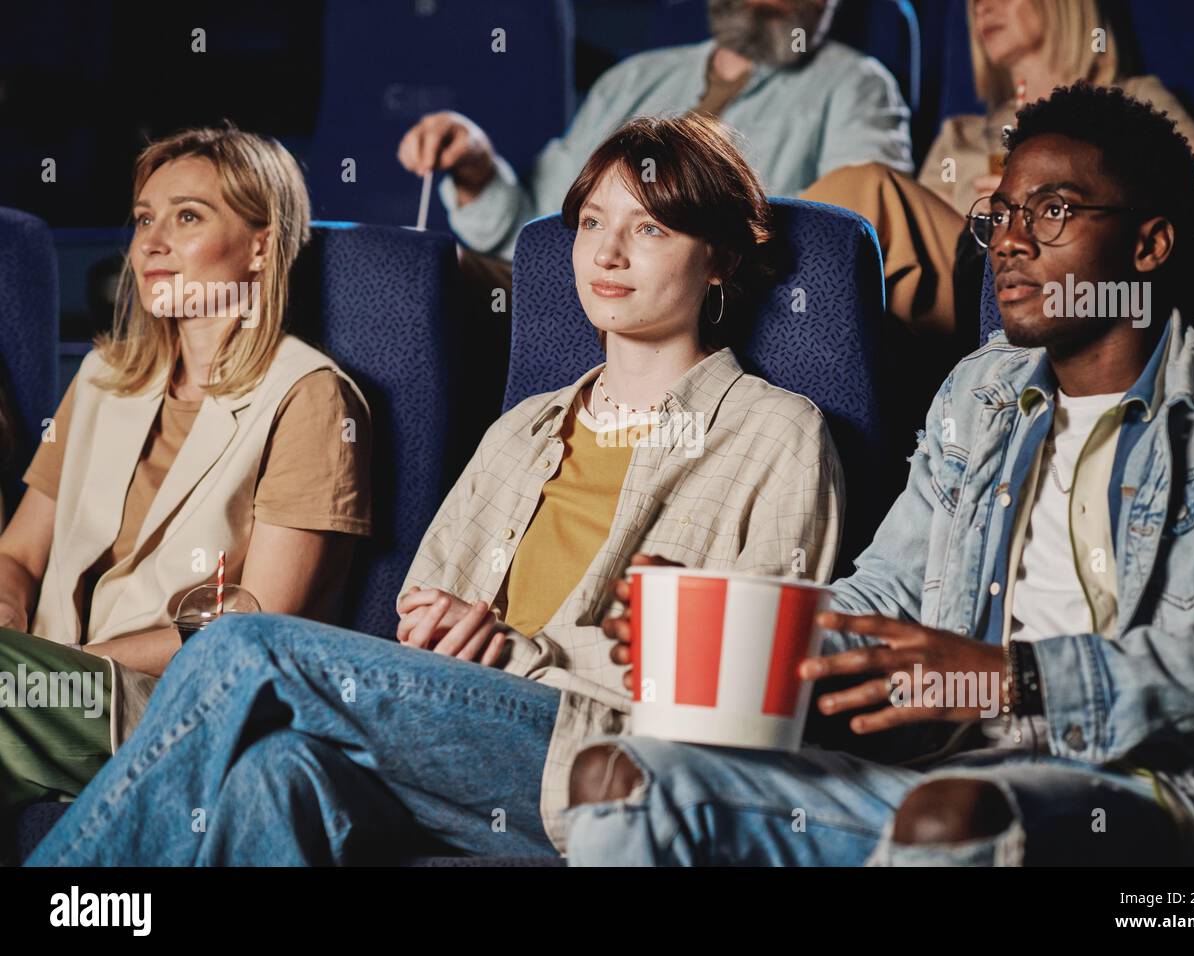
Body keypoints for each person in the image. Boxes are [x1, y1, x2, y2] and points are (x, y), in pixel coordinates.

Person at [26, 113, 845, 866]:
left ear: (722, 261)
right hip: (458, 735)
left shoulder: (777, 432)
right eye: (592, 222)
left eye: (650, 229)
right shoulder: (522, 429)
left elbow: (748, 680)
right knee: (272, 774)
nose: (608, 253)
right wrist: (443, 631)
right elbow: (424, 608)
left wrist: (520, 651)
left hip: (612, 757)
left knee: (244, 645)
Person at [564, 83, 1194, 867]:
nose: (1011, 241)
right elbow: (885, 593)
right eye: (1002, 215)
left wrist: (1021, 677)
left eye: (1052, 211)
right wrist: (740, 626)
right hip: (938, 765)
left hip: (1148, 785)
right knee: (623, 777)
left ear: (1149, 246)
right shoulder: (979, 393)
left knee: (951, 819)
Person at [0, 126, 373, 852]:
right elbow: (17, 553)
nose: (149, 245)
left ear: (262, 246)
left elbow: (260, 620)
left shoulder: (311, 395)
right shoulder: (104, 378)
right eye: (144, 219)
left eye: (188, 217)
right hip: (41, 685)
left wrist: (75, 664)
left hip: (177, 705)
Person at [801, 0, 1194, 338]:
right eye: (975, 0)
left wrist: (1049, 197)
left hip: (1056, 273)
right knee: (857, 229)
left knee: (867, 185)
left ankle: (751, 287)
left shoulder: (1132, 101)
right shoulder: (962, 133)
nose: (981, 7)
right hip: (960, 284)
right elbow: (914, 243)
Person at [396, 0, 912, 271]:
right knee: (422, 271)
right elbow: (537, 226)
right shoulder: (635, 77)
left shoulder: (856, 83)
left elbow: (854, 237)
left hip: (712, 298)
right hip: (569, 282)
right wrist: (477, 169)